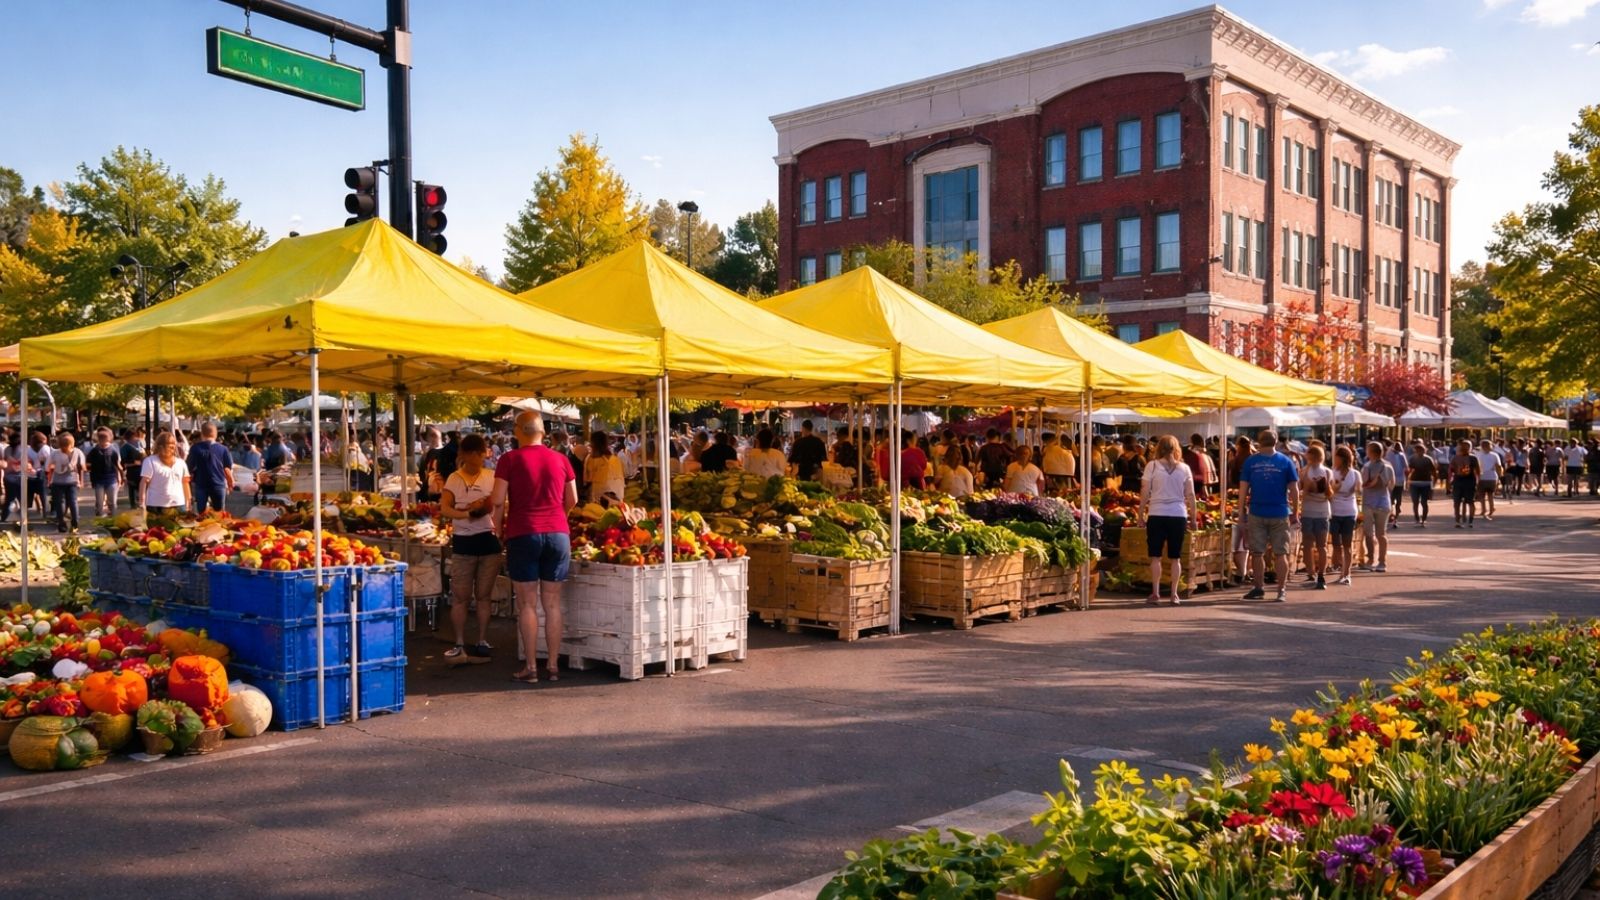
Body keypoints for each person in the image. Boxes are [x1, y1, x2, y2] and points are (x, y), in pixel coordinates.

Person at [485, 412, 576, 685]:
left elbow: (498, 500)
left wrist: (498, 529)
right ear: (542, 432)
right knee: (552, 603)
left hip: (523, 532)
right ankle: (553, 666)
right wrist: (560, 518)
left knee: (527, 603)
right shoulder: (561, 459)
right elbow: (572, 499)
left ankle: (532, 667)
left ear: (518, 431)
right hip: (558, 534)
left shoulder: (509, 459)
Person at [439, 434, 501, 665]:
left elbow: (501, 502)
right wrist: (467, 513)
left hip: (489, 541)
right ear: (465, 454)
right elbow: (445, 508)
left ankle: (483, 640)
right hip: (463, 542)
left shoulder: (492, 476)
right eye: (476, 453)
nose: (480, 457)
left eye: (482, 452)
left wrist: (488, 510)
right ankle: (459, 642)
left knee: (484, 596)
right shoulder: (454, 479)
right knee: (460, 597)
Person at [1238, 430, 1299, 602]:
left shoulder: (1251, 461)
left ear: (1258, 442)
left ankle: (1258, 588)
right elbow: (1294, 490)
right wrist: (1295, 511)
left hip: (1257, 511)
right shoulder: (1286, 461)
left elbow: (1243, 489)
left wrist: (1241, 511)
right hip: (1280, 512)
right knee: (1281, 553)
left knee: (1257, 553)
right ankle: (1281, 590)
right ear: (1276, 441)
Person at [1140, 435, 1198, 605]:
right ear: (1177, 448)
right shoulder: (1185, 469)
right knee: (1175, 557)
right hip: (1178, 514)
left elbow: (1145, 491)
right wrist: (1193, 518)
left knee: (1156, 556)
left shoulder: (1152, 466)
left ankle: (1156, 592)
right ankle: (1174, 594)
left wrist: (1140, 513)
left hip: (1157, 513)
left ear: (1159, 448)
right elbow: (1191, 495)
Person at [1298, 444, 1333, 590]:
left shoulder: (1304, 471)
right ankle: (1321, 574)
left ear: (1310, 456)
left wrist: (1307, 490)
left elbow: (1300, 489)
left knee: (1308, 544)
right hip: (1323, 511)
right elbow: (1330, 493)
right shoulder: (1328, 472)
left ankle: (1311, 571)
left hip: (1308, 511)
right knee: (1322, 545)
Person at [1358, 441, 1394, 573]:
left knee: (1369, 533)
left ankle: (1370, 560)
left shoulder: (1367, 467)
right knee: (1381, 534)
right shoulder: (1388, 466)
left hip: (1369, 503)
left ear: (1371, 452)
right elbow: (1392, 484)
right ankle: (1382, 562)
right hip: (1384, 502)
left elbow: (1363, 484)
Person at [186, 422, 235, 514]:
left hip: (201, 484)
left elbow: (188, 467)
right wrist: (230, 482)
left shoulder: (195, 448)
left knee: (201, 513)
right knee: (220, 513)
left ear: (202, 434)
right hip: (219, 484)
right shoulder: (223, 449)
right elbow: (228, 468)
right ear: (216, 434)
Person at [1328, 445, 1359, 586]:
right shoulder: (1332, 473)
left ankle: (1346, 574)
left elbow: (1358, 490)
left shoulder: (1355, 474)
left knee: (1347, 544)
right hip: (1335, 511)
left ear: (1342, 458)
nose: (1334, 459)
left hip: (1349, 511)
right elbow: (1328, 492)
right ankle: (1340, 568)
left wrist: (1352, 488)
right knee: (1336, 544)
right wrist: (1335, 488)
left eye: (1336, 456)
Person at [140, 432, 191, 515]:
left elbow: (185, 482)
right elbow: (144, 482)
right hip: (156, 505)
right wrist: (142, 502)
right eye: (168, 444)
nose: (171, 447)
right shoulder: (150, 461)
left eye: (173, 444)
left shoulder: (181, 463)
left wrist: (188, 501)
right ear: (160, 446)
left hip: (178, 504)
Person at [46, 432, 87, 533]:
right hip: (63, 482)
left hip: (67, 482)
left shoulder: (57, 453)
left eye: (65, 446)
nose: (64, 449)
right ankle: (68, 523)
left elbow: (48, 467)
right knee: (65, 503)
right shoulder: (77, 452)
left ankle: (69, 522)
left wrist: (81, 481)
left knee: (66, 502)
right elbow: (82, 468)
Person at [86, 428, 123, 519]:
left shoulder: (112, 451)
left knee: (112, 502)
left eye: (105, 441)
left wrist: (121, 477)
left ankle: (113, 519)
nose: (103, 443)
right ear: (98, 440)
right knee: (99, 501)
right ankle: (100, 518)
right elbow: (88, 464)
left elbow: (117, 465)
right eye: (101, 440)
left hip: (111, 478)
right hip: (99, 479)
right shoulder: (94, 451)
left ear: (108, 440)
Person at [583, 431, 626, 503]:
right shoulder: (616, 459)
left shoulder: (591, 459)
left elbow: (587, 480)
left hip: (599, 499)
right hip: (618, 497)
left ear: (593, 443)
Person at [1449, 440, 1481, 528]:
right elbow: (1451, 470)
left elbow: (1478, 471)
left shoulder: (1473, 458)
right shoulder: (1455, 458)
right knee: (1457, 502)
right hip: (1458, 481)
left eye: (1467, 446)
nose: (1465, 448)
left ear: (1470, 447)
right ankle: (1457, 520)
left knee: (1470, 502)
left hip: (1469, 481)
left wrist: (1478, 483)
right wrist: (1449, 482)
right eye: (1463, 446)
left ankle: (1470, 521)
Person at [1405, 441, 1437, 526]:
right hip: (1414, 482)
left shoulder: (1428, 459)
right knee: (1415, 502)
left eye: (1421, 450)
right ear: (1415, 450)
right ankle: (1416, 518)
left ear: (1424, 450)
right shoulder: (1412, 459)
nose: (1419, 451)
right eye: (1417, 450)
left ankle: (1423, 519)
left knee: (1424, 502)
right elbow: (1408, 471)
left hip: (1425, 483)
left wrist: (1434, 483)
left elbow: (1434, 471)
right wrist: (1407, 481)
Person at [1471, 439, 1501, 521]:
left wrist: (1475, 476)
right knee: (1491, 495)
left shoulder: (1478, 455)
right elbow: (1498, 466)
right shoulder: (1495, 455)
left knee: (1482, 495)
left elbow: (1475, 467)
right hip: (1492, 476)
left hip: (1482, 476)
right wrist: (1500, 477)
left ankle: (1483, 510)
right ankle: (1491, 509)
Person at [119, 428, 147, 510]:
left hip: (142, 470)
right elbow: (123, 462)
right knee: (132, 489)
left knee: (141, 488)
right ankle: (133, 505)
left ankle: (141, 503)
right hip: (132, 471)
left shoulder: (140, 445)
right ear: (132, 437)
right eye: (136, 436)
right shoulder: (125, 447)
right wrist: (133, 463)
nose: (137, 438)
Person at [1184, 433, 1216, 499]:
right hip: (1205, 479)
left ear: (1192, 441)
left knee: (1197, 497)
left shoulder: (1192, 453)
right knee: (1206, 496)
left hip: (1195, 479)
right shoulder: (1205, 453)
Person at [1385, 442, 1409, 528]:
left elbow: (1406, 468)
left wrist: (1407, 480)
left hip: (1398, 481)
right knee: (1392, 500)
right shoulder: (1390, 455)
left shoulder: (1399, 455)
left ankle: (1395, 518)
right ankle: (1392, 516)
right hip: (1393, 481)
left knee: (1396, 500)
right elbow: (1406, 468)